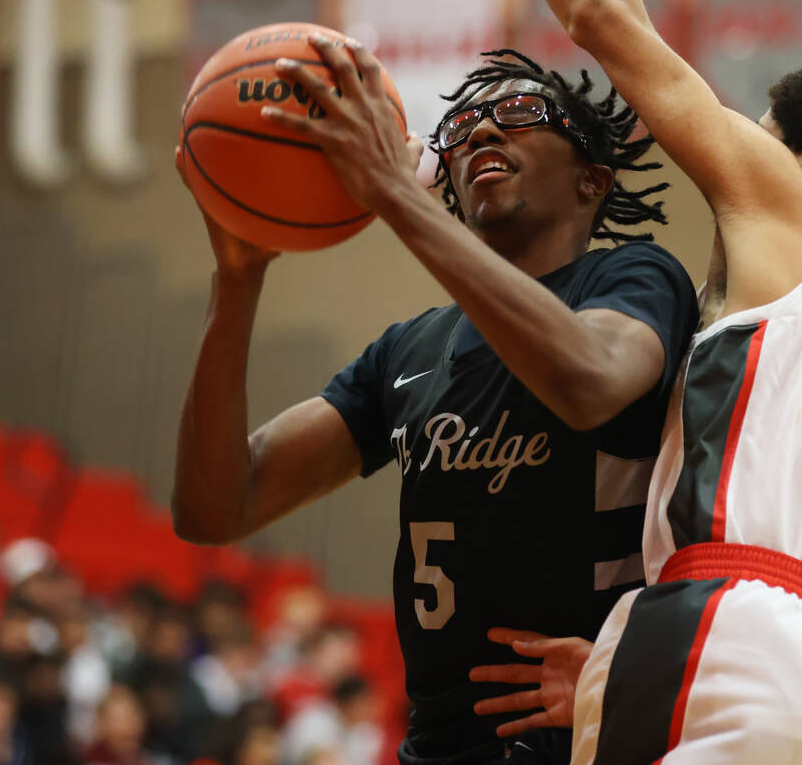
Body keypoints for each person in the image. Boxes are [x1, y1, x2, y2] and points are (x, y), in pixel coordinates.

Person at [171, 39, 699, 765]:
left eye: (518, 111)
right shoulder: (408, 351)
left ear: (593, 179)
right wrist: (237, 281)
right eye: (460, 128)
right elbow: (216, 507)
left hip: (578, 737)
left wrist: (391, 195)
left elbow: (592, 380)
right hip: (433, 745)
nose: (481, 130)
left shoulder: (635, 278)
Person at [470, 0, 802, 764]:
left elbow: (602, 10)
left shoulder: (794, 216)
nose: (736, 143)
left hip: (732, 626)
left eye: (759, 128)